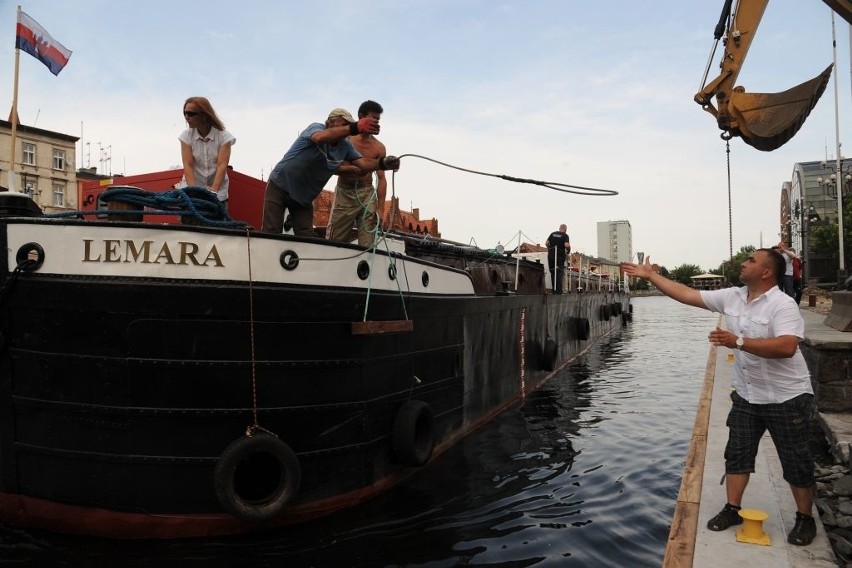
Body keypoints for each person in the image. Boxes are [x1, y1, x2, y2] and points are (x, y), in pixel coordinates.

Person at [621, 248, 817, 546]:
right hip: (748, 395)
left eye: (751, 260)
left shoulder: (783, 305)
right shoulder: (733, 297)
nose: (743, 262)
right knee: (737, 455)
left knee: (796, 461)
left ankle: (805, 518)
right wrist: (652, 277)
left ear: (766, 272)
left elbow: (787, 347)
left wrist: (737, 341)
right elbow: (687, 294)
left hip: (787, 397)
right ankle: (733, 509)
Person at [261, 108, 400, 237]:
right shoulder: (316, 128)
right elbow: (319, 138)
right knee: (271, 233)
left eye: (349, 125)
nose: (347, 130)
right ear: (330, 122)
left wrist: (384, 163)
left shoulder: (345, 145)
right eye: (344, 124)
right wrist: (354, 127)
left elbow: (364, 163)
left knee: (307, 237)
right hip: (280, 185)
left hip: (302, 198)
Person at [327, 100, 388, 247]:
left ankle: (365, 268)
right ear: (361, 117)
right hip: (345, 194)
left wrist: (380, 209)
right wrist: (351, 169)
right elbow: (331, 166)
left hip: (367, 195)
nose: (376, 122)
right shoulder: (346, 139)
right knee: (336, 242)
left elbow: (381, 179)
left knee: (368, 243)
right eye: (372, 118)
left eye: (378, 119)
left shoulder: (379, 148)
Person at [179, 97, 236, 208]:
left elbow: (222, 165)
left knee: (218, 224)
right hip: (191, 191)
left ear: (204, 115)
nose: (186, 117)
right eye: (184, 113)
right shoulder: (185, 136)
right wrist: (194, 191)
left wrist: (214, 189)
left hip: (218, 193)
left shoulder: (224, 137)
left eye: (191, 113)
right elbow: (188, 165)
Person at [545, 224, 571, 293]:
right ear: (565, 229)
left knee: (553, 272)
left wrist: (550, 249)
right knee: (559, 273)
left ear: (559, 228)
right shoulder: (565, 235)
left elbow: (546, 243)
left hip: (550, 256)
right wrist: (568, 250)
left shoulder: (553, 233)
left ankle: (554, 291)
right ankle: (558, 292)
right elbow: (566, 245)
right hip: (559, 256)